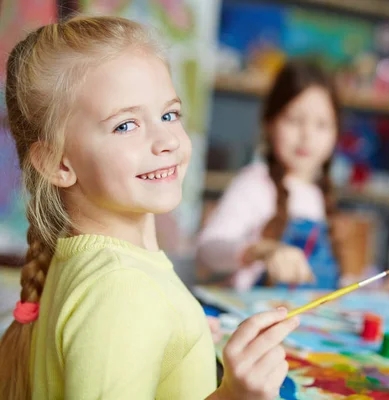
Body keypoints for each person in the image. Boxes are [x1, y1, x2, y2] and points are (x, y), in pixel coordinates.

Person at [0, 16, 298, 400]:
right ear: (59, 162)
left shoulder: (97, 268)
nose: (167, 141)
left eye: (169, 115)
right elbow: (117, 313)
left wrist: (177, 337)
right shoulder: (122, 292)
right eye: (126, 125)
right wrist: (234, 396)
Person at [196, 60, 389, 294]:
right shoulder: (255, 184)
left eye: (322, 124)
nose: (307, 135)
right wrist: (261, 250)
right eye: (294, 120)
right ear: (269, 123)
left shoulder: (320, 194)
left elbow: (325, 287)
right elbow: (207, 251)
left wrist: (379, 290)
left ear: (336, 134)